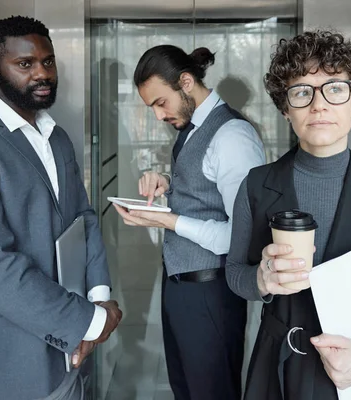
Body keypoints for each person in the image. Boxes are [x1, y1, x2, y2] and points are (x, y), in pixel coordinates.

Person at [0, 16, 122, 400]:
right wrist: (91, 321)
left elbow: (83, 218)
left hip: (75, 352)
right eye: (25, 64)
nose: (42, 74)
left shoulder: (57, 137)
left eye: (47, 61)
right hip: (10, 363)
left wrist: (98, 297)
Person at [225, 30, 351, 400]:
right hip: (275, 367)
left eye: (335, 88)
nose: (318, 105)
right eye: (302, 92)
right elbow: (234, 274)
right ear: (286, 108)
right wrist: (260, 279)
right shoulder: (256, 186)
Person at [113, 45, 266, 400]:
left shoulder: (233, 137)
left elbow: (244, 235)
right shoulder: (192, 126)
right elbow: (204, 186)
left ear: (185, 81)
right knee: (186, 389)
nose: (157, 116)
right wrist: (167, 181)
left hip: (211, 292)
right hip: (181, 286)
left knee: (211, 393)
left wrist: (169, 222)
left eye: (160, 103)